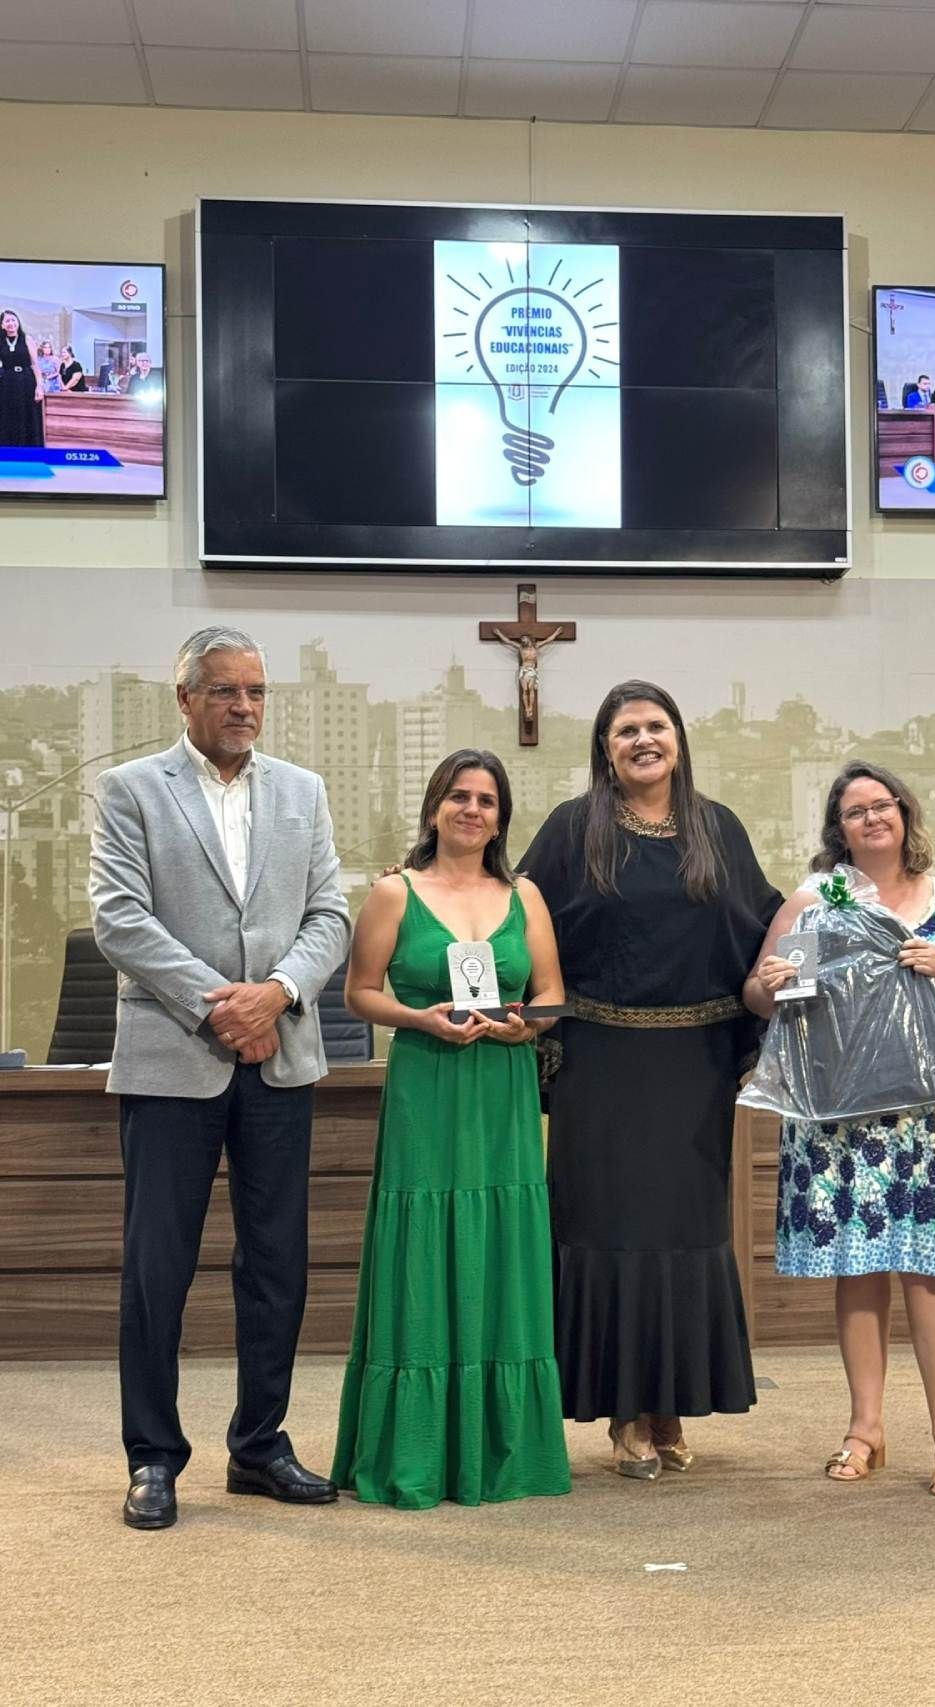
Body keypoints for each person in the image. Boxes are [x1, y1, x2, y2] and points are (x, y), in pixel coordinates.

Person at [89, 625, 351, 1530]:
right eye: (226, 691)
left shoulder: (303, 791)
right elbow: (120, 918)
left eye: (257, 691)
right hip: (174, 1057)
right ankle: (153, 1456)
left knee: (277, 1262)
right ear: (186, 698)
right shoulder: (132, 789)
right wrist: (221, 1006)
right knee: (157, 1267)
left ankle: (260, 1446)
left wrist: (275, 994)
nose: (245, 706)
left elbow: (330, 914)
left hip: (279, 1056)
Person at [520, 680, 781, 1479]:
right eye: (625, 729)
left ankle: (670, 1402)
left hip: (694, 1069)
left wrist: (838, 922)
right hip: (600, 1067)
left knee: (685, 1236)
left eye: (655, 725)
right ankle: (625, 1410)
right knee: (613, 1233)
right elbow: (515, 911)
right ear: (605, 748)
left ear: (678, 738)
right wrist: (430, 880)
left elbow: (767, 919)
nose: (643, 739)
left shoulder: (717, 828)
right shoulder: (573, 829)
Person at [745, 763, 935, 1498]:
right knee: (856, 1267)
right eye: (854, 810)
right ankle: (865, 1429)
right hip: (837, 1114)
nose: (871, 818)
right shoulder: (813, 900)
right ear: (838, 828)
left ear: (904, 813)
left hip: (928, 1115)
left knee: (929, 1271)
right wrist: (768, 984)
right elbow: (758, 994)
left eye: (882, 805)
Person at [332, 751, 571, 1508]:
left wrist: (524, 1026)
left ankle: (504, 1453)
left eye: (487, 800)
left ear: (501, 818)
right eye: (459, 796)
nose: (472, 810)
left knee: (502, 1248)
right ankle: (417, 1450)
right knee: (423, 1251)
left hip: (502, 1090)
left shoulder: (525, 894)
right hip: (427, 1084)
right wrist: (420, 1017)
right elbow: (359, 992)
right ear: (434, 806)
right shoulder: (393, 893)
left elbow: (551, 994)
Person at [0, 308, 45, 447]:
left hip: (26, 381)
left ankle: (30, 450)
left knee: (28, 414)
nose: (11, 323)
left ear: (18, 322)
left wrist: (39, 386)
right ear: (2, 325)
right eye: (7, 321)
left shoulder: (26, 339)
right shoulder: (1, 341)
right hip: (7, 383)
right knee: (8, 415)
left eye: (13, 320)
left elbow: (35, 364)